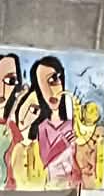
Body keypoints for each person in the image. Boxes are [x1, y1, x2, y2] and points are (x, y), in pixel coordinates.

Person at [31, 54, 79, 186]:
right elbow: (45, 159)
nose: (49, 92)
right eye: (42, 85)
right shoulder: (43, 128)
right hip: (54, 183)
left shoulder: (74, 124)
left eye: (53, 80)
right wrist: (62, 143)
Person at [5, 85, 46, 189]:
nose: (26, 113)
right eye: (25, 104)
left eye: (34, 111)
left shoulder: (34, 145)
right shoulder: (7, 129)